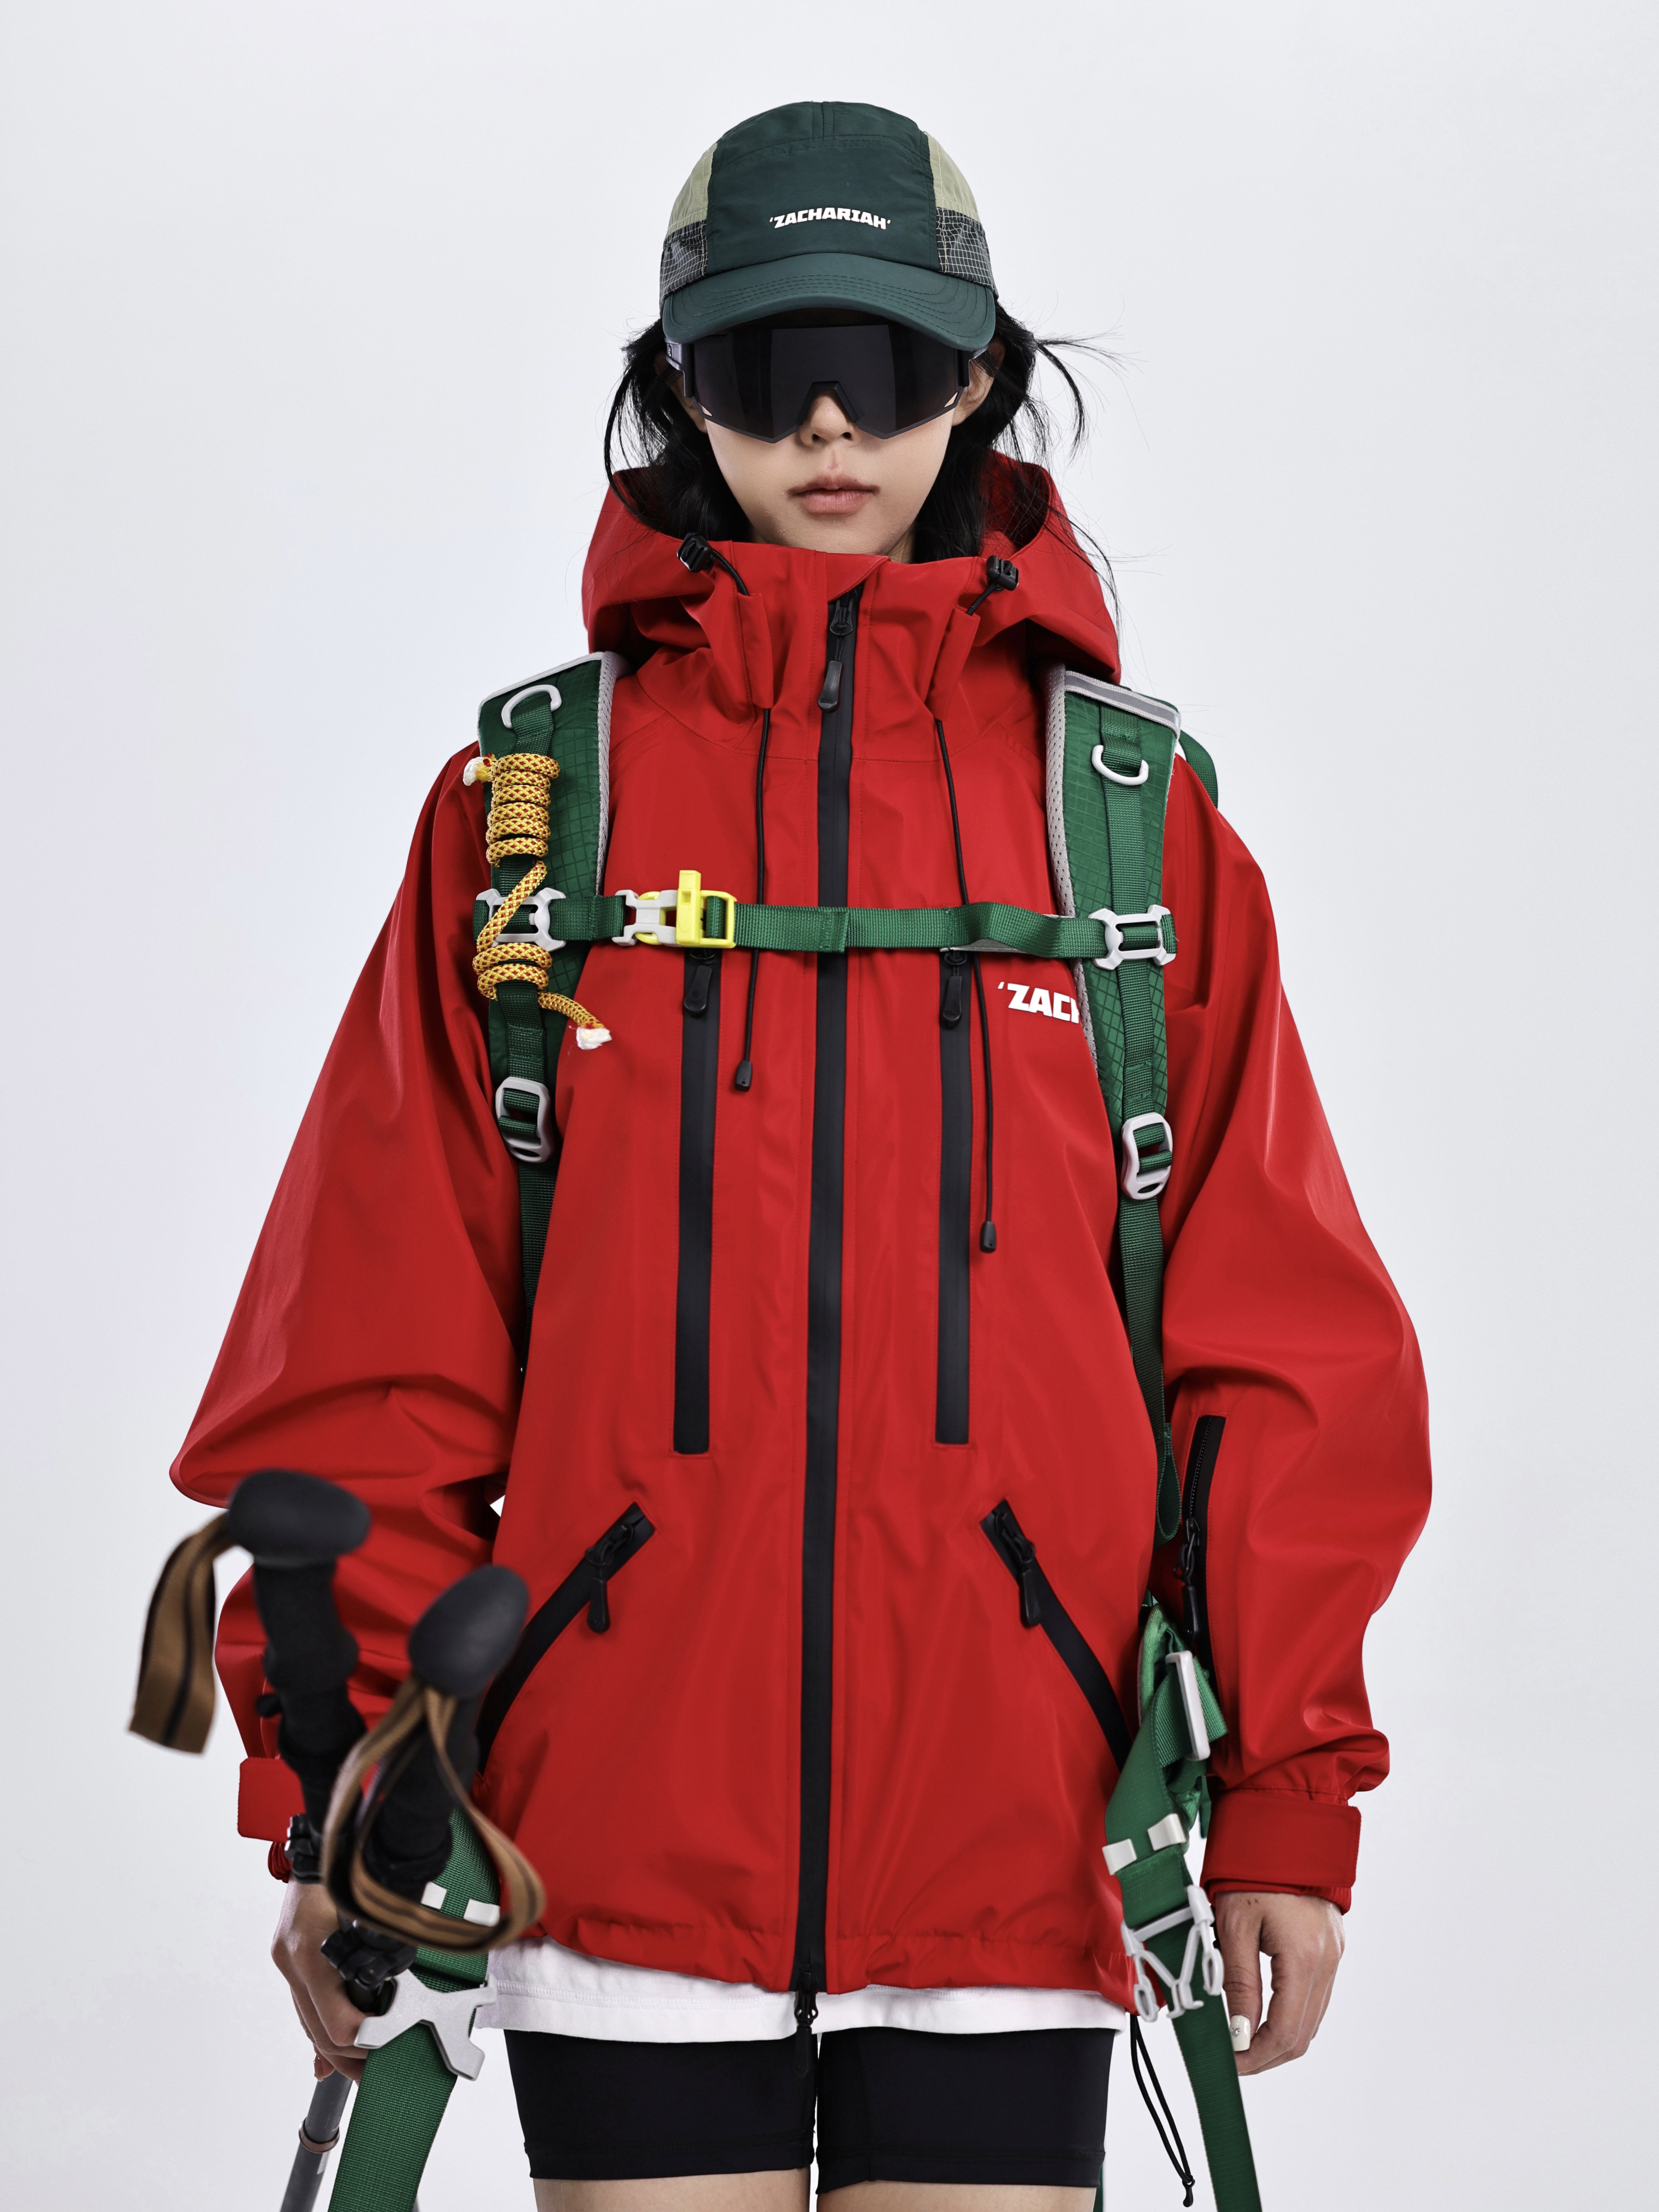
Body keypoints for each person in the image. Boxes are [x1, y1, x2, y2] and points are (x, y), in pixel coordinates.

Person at [174, 99, 1431, 2211]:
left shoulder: (1131, 828)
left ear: (978, 375)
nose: (830, 422)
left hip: (1025, 1829)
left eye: (886, 359)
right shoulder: (532, 814)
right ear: (681, 390)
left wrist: (1287, 1793)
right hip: (606, 1831)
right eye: (766, 367)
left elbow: (1281, 1353)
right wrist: (344, 1787)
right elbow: (373, 1347)